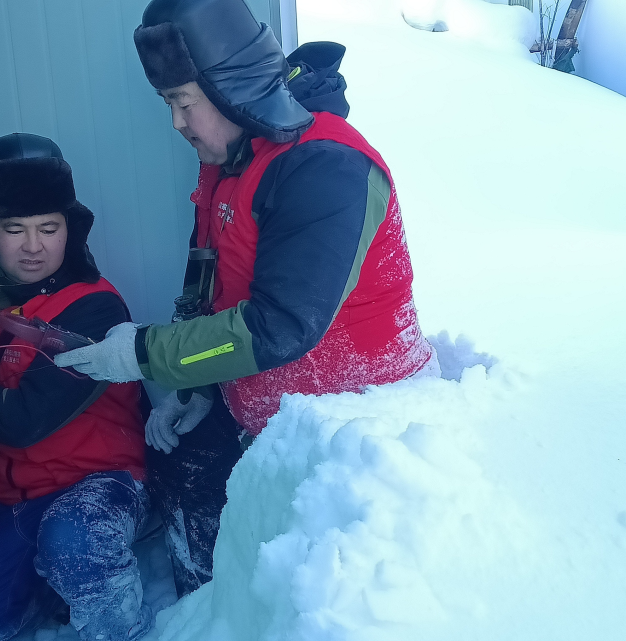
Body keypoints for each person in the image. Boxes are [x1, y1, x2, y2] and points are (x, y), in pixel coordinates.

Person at [55, 0, 440, 597]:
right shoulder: (231, 161)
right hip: (269, 401)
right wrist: (201, 388)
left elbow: (280, 326)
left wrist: (144, 355)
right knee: (180, 465)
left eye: (184, 102)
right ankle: (207, 612)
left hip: (354, 427)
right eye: (168, 104)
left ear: (229, 88)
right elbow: (213, 285)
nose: (176, 123)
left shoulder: (324, 168)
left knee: (302, 584)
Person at [0, 133, 152, 641]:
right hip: (9, 500)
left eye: (49, 228)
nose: (33, 246)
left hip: (99, 486)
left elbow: (23, 421)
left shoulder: (93, 308)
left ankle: (121, 627)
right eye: (13, 229)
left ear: (70, 228)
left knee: (74, 541)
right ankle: (45, 586)